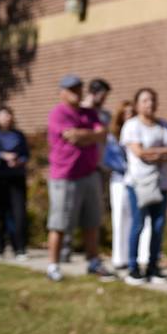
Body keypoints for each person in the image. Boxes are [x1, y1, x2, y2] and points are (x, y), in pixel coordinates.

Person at [45, 74, 113, 282]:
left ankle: (93, 262)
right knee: (60, 223)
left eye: (79, 89)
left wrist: (84, 135)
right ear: (62, 93)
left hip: (89, 174)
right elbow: (70, 136)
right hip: (65, 176)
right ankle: (53, 265)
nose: (77, 93)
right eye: (72, 89)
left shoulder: (89, 113)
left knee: (91, 222)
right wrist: (88, 135)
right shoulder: (58, 113)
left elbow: (102, 134)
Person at [120, 88, 167, 285]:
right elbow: (140, 153)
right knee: (138, 224)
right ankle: (133, 268)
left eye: (152, 100)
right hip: (139, 183)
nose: (150, 104)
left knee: (158, 225)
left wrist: (156, 153)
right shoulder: (132, 126)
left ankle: (153, 267)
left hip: (161, 183)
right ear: (137, 104)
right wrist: (163, 153)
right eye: (145, 100)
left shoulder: (165, 126)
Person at [0, 107, 30, 261]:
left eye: (9, 114)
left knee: (19, 214)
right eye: (3, 115)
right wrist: (3, 155)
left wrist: (19, 161)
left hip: (16, 178)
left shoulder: (18, 134)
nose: (7, 118)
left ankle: (20, 249)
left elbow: (26, 154)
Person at [106, 102, 138, 272]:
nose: (129, 116)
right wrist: (127, 169)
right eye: (126, 113)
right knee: (119, 217)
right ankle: (119, 258)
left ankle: (133, 255)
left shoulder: (138, 134)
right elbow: (110, 159)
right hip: (119, 180)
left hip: (136, 181)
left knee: (133, 219)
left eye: (132, 113)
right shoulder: (113, 137)